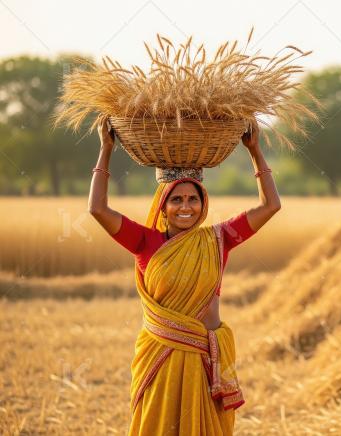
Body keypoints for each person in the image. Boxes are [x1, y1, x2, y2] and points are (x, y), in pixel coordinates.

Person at [88, 117, 281, 435]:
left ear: (204, 204)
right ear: (162, 207)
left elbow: (271, 205)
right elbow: (97, 209)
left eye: (193, 199)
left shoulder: (220, 238)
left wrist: (256, 151)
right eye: (176, 200)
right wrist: (106, 149)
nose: (185, 207)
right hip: (160, 357)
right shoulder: (144, 241)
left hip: (203, 363)